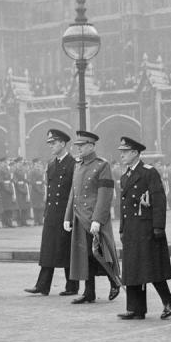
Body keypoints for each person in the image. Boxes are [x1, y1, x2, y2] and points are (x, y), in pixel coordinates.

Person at [115, 136, 171, 320]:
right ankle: (135, 308)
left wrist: (159, 227)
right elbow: (123, 206)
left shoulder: (149, 173)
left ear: (135, 153)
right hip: (132, 229)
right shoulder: (125, 176)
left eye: (125, 152)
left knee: (152, 269)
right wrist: (122, 228)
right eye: (121, 152)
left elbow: (159, 201)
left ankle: (168, 300)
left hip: (147, 228)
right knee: (132, 269)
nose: (122, 156)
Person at [63, 130, 122, 304]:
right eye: (77, 146)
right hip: (80, 217)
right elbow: (73, 193)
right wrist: (67, 216)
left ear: (91, 146)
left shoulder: (102, 165)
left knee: (102, 253)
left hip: (94, 217)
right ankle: (89, 292)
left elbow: (105, 195)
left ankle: (115, 282)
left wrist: (97, 219)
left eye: (82, 146)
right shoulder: (78, 165)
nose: (78, 149)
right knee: (85, 255)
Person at [25, 129, 79, 297]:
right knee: (48, 248)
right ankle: (43, 285)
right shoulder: (51, 164)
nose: (51, 146)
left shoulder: (73, 163)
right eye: (50, 143)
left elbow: (75, 191)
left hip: (66, 213)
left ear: (63, 143)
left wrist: (71, 215)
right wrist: (47, 211)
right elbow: (50, 191)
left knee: (67, 248)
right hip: (52, 213)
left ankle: (72, 286)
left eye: (54, 143)